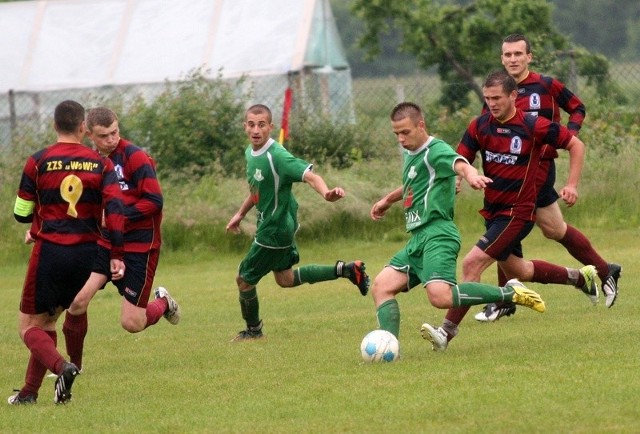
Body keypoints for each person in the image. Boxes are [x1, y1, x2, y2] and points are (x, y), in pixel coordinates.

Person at [421, 71, 594, 351]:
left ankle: (446, 332)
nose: (491, 103)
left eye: (497, 98)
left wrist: (571, 184)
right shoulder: (480, 125)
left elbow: (576, 144)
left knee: (471, 264)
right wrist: (459, 176)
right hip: (493, 212)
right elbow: (461, 155)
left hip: (518, 213)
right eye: (487, 98)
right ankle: (579, 277)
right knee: (521, 270)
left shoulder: (532, 125)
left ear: (514, 96)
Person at [369, 101, 546, 342]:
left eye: (405, 132)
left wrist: (472, 175)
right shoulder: (413, 154)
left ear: (421, 125)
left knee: (440, 298)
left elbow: (460, 164)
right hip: (418, 238)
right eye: (396, 134)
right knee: (381, 287)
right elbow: (413, 184)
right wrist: (387, 201)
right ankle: (388, 345)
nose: (400, 139)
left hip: (438, 235)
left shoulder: (435, 150)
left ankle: (508, 292)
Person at [475, 34, 621, 322]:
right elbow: (487, 131)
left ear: (529, 57)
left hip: (538, 168)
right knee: (553, 229)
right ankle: (604, 271)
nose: (513, 59)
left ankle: (503, 298)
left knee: (506, 228)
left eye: (518, 54)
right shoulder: (498, 92)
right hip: (511, 171)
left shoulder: (546, 85)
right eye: (507, 55)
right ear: (502, 59)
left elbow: (577, 107)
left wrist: (570, 135)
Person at [9, 100, 126, 405]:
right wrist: (116, 253)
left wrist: (37, 214)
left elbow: (21, 213)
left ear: (54, 126)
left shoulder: (38, 161)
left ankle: (64, 367)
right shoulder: (101, 164)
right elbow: (115, 209)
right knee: (47, 323)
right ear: (83, 128)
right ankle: (28, 393)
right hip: (87, 255)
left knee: (29, 328)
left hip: (50, 253)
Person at [226, 104, 369, 341]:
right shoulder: (250, 154)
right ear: (245, 127)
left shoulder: (277, 156)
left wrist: (326, 193)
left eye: (262, 125)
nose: (256, 130)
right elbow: (256, 191)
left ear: (271, 127)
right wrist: (240, 214)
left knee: (244, 279)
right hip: (278, 226)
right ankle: (347, 270)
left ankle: (253, 332)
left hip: (274, 229)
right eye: (251, 124)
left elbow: (310, 176)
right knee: (285, 279)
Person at [62, 107, 180, 373]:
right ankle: (73, 368)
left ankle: (163, 302)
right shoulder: (89, 161)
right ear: (88, 133)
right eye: (104, 135)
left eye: (115, 132)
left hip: (140, 246)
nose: (112, 139)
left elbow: (155, 201)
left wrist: (116, 215)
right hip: (106, 244)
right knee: (77, 302)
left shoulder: (135, 157)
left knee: (132, 323)